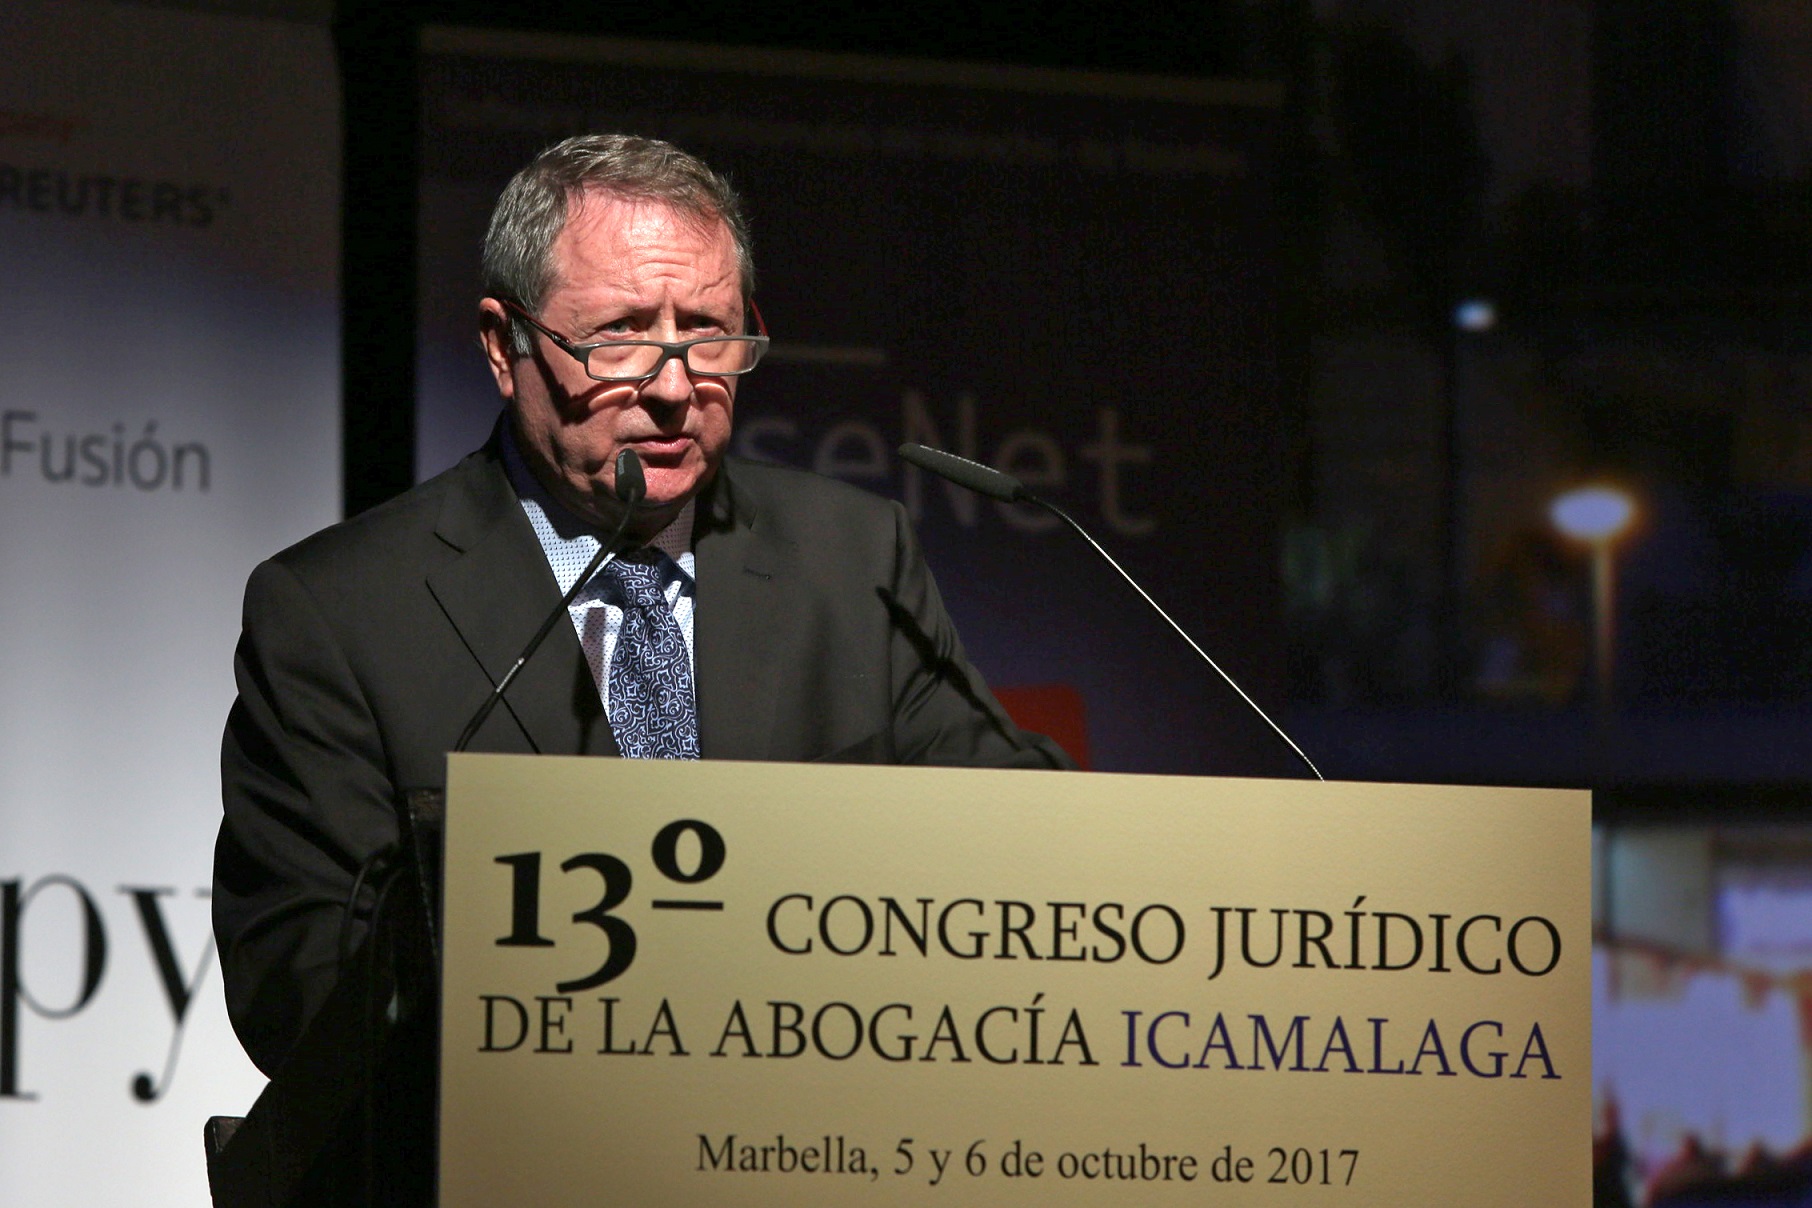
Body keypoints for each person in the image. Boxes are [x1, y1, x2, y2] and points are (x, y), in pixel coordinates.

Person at [213, 133, 1071, 1078]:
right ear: (506, 347)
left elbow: (1013, 830)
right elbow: (290, 977)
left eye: (707, 333)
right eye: (619, 333)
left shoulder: (850, 560)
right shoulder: (340, 613)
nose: (673, 388)